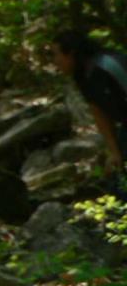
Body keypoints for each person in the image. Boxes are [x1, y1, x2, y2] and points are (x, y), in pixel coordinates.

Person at [53, 31, 127, 181]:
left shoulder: (109, 65)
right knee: (118, 182)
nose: (55, 61)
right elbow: (99, 113)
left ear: (71, 54)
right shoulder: (83, 76)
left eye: (56, 55)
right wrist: (114, 152)